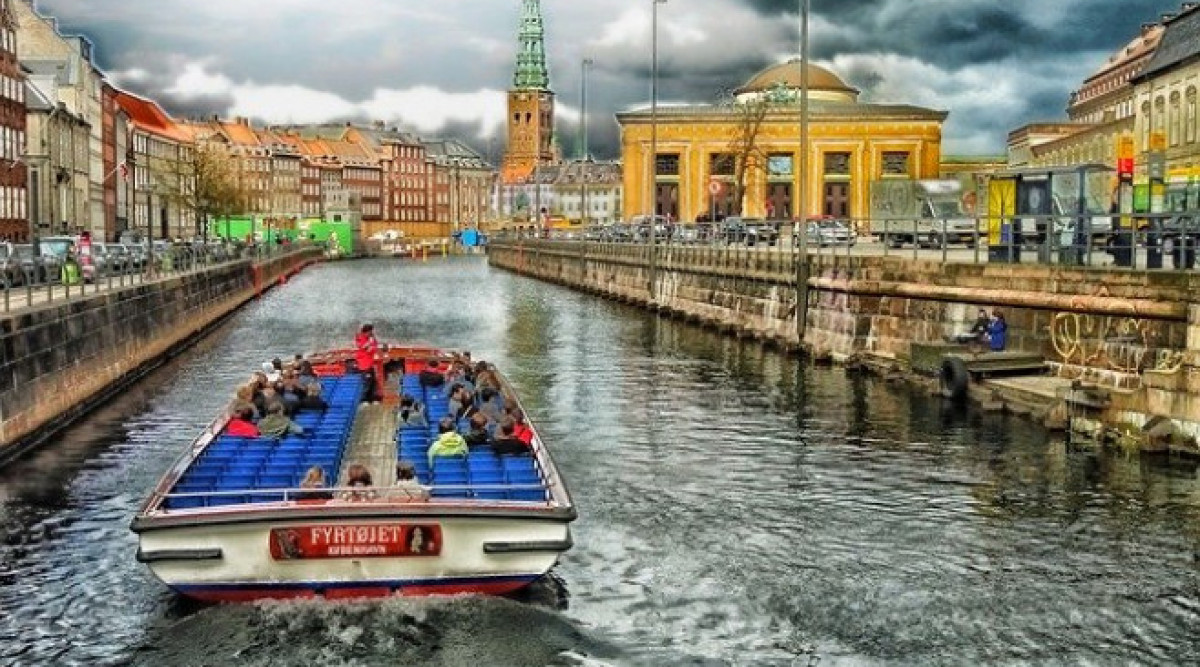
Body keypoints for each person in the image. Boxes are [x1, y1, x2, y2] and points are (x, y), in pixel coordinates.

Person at [355, 324, 382, 403]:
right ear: (366, 332)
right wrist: (372, 344)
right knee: (367, 383)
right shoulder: (361, 339)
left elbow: (374, 345)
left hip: (369, 364)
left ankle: (372, 398)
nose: (371, 333)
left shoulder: (369, 338)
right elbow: (368, 349)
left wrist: (373, 341)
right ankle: (364, 400)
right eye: (370, 332)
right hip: (364, 365)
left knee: (373, 381)